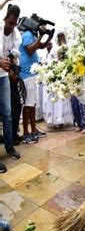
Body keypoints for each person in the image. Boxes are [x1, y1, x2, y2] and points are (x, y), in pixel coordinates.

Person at [19, 14, 48, 143]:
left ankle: (34, 130)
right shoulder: (27, 35)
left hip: (32, 75)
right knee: (28, 105)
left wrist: (47, 37)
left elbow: (39, 46)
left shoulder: (32, 35)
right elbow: (30, 50)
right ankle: (26, 133)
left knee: (32, 104)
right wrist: (41, 35)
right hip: (27, 75)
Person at [0, 4, 22, 173]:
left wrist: (14, 68)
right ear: (5, 18)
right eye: (9, 22)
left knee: (7, 113)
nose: (11, 27)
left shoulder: (16, 36)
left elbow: (14, 56)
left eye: (14, 24)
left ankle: (9, 147)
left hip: (2, 77)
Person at [41, 37, 74, 129]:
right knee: (55, 99)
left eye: (62, 37)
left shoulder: (67, 48)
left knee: (62, 98)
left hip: (63, 75)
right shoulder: (52, 52)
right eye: (59, 37)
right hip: (54, 76)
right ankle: (56, 120)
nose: (61, 39)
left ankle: (62, 120)